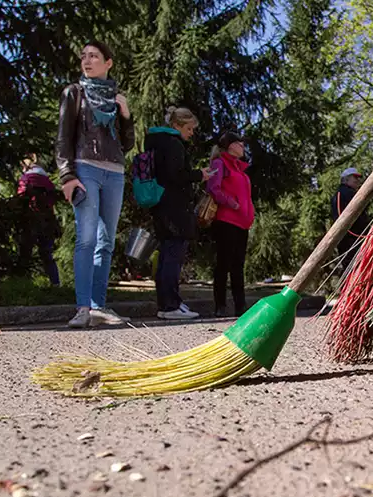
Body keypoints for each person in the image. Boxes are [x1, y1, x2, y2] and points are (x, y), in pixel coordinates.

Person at [55, 41, 135, 328]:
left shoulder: (116, 98)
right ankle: (83, 308)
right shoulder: (74, 93)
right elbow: (63, 137)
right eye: (84, 57)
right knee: (87, 239)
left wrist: (126, 116)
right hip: (85, 168)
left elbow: (127, 144)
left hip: (114, 172)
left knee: (106, 242)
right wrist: (67, 175)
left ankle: (99, 307)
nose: (87, 61)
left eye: (94, 56)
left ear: (108, 63)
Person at [146, 107, 213, 320]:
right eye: (189, 128)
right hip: (175, 207)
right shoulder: (173, 144)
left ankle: (169, 302)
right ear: (177, 125)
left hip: (162, 205)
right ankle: (170, 305)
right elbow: (176, 175)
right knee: (173, 255)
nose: (191, 133)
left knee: (167, 254)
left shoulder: (157, 142)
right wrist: (198, 175)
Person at [206, 132, 254, 317]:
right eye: (239, 143)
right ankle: (220, 305)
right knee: (223, 264)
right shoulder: (220, 163)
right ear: (230, 145)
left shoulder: (240, 169)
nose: (243, 145)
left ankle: (240, 305)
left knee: (238, 265)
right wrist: (231, 203)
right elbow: (213, 188)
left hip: (242, 223)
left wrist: (250, 211)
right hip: (226, 220)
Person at [16, 154, 61, 287]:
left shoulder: (26, 179)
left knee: (25, 253)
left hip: (30, 219)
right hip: (47, 221)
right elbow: (53, 200)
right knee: (47, 253)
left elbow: (20, 198)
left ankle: (21, 284)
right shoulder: (48, 182)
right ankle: (55, 283)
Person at [330, 167, 369, 268]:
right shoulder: (343, 193)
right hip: (351, 237)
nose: (357, 180)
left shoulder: (348, 193)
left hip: (354, 237)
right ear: (346, 179)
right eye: (354, 177)